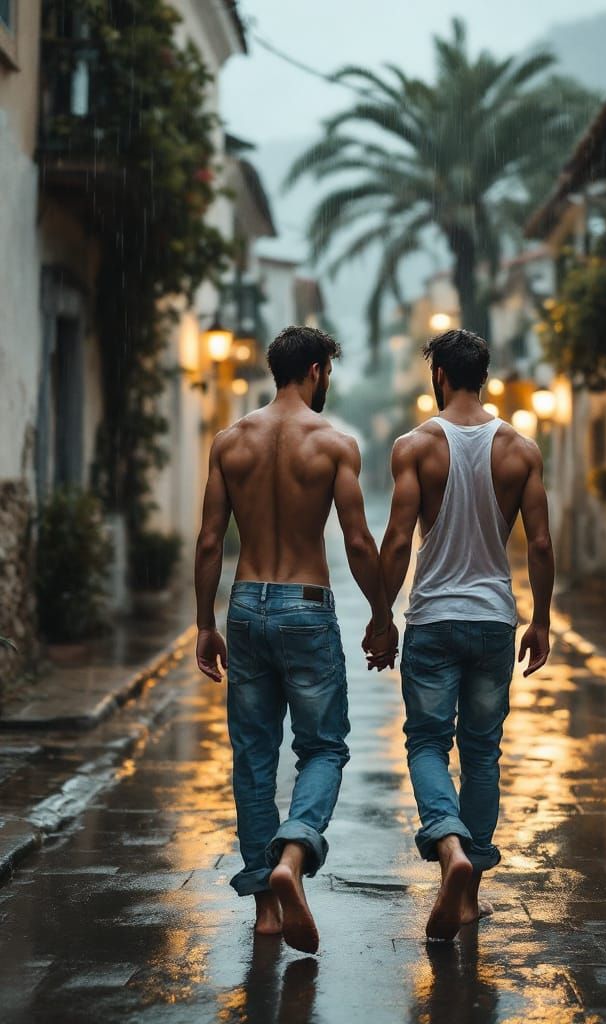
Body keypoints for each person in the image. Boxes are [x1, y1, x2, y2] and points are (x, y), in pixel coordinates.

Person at [194, 325, 397, 955]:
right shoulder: (333, 443)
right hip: (307, 605)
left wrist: (206, 622)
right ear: (314, 370)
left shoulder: (231, 442)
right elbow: (359, 541)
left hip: (248, 602)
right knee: (324, 748)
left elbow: (207, 542)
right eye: (327, 372)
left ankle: (266, 909)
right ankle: (294, 850)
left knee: (253, 756)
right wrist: (382, 613)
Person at [376, 328, 554, 941]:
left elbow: (398, 540)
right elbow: (542, 544)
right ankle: (469, 885)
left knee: (427, 744)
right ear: (484, 376)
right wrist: (543, 619)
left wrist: (380, 615)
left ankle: (449, 848)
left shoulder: (416, 445)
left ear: (440, 377)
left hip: (433, 618)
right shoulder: (520, 450)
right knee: (482, 753)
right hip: (493, 620)